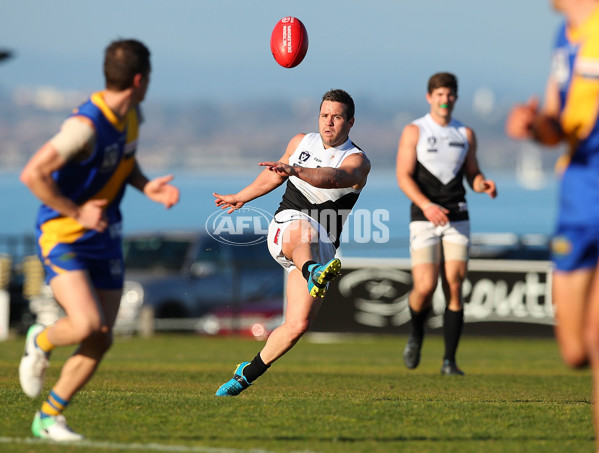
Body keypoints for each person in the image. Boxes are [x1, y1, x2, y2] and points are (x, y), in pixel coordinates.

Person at [18, 38, 180, 441]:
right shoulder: (84, 127)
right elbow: (32, 174)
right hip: (64, 234)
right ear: (140, 79)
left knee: (102, 337)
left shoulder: (132, 115)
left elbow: (123, 160)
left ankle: (48, 418)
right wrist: (76, 212)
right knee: (85, 323)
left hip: (104, 236)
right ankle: (40, 339)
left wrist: (147, 186)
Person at [213, 89, 370, 396]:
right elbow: (275, 175)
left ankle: (246, 374)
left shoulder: (357, 160)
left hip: (322, 244)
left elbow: (334, 177)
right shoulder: (301, 142)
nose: (329, 122)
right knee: (304, 230)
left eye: (337, 117)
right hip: (288, 226)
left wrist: (296, 170)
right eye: (324, 115)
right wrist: (240, 196)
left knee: (297, 325)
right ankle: (312, 270)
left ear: (350, 122)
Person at [505, 0, 599, 447]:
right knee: (576, 350)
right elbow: (557, 125)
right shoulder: (564, 37)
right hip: (577, 199)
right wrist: (533, 125)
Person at [396, 72, 497, 376]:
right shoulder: (415, 130)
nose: (444, 100)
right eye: (439, 94)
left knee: (454, 284)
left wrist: (483, 184)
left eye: (449, 94)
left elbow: (473, 174)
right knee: (425, 287)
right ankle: (416, 334)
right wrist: (426, 205)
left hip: (457, 215)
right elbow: (403, 176)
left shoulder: (465, 133)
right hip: (424, 217)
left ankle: (449, 361)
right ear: (430, 97)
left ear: (455, 98)